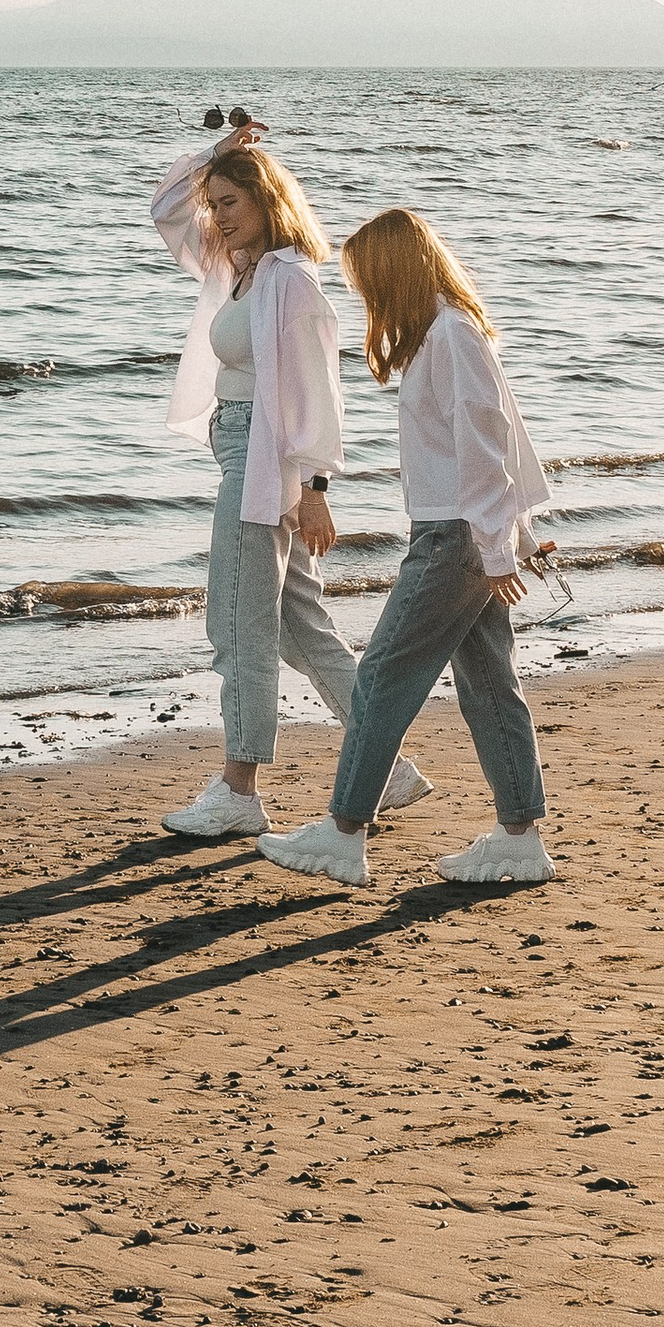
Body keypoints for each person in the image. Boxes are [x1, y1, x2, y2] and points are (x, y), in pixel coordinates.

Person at [258, 206, 553, 889]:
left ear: (397, 270)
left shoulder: (451, 333)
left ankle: (344, 832)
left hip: (455, 540)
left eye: (368, 281)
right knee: (488, 686)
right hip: (469, 533)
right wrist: (515, 534)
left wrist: (501, 545)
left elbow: (486, 441)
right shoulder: (446, 333)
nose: (365, 295)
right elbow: (498, 439)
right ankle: (519, 839)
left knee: (380, 679)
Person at [147, 119, 428, 838]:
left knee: (238, 625)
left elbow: (318, 390)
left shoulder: (291, 281)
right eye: (216, 204)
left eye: (231, 201)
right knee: (297, 627)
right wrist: (218, 154)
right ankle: (388, 766)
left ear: (269, 202)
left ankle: (240, 787)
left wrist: (312, 489)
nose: (216, 215)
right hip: (242, 449)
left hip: (266, 463)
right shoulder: (234, 266)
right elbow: (165, 207)